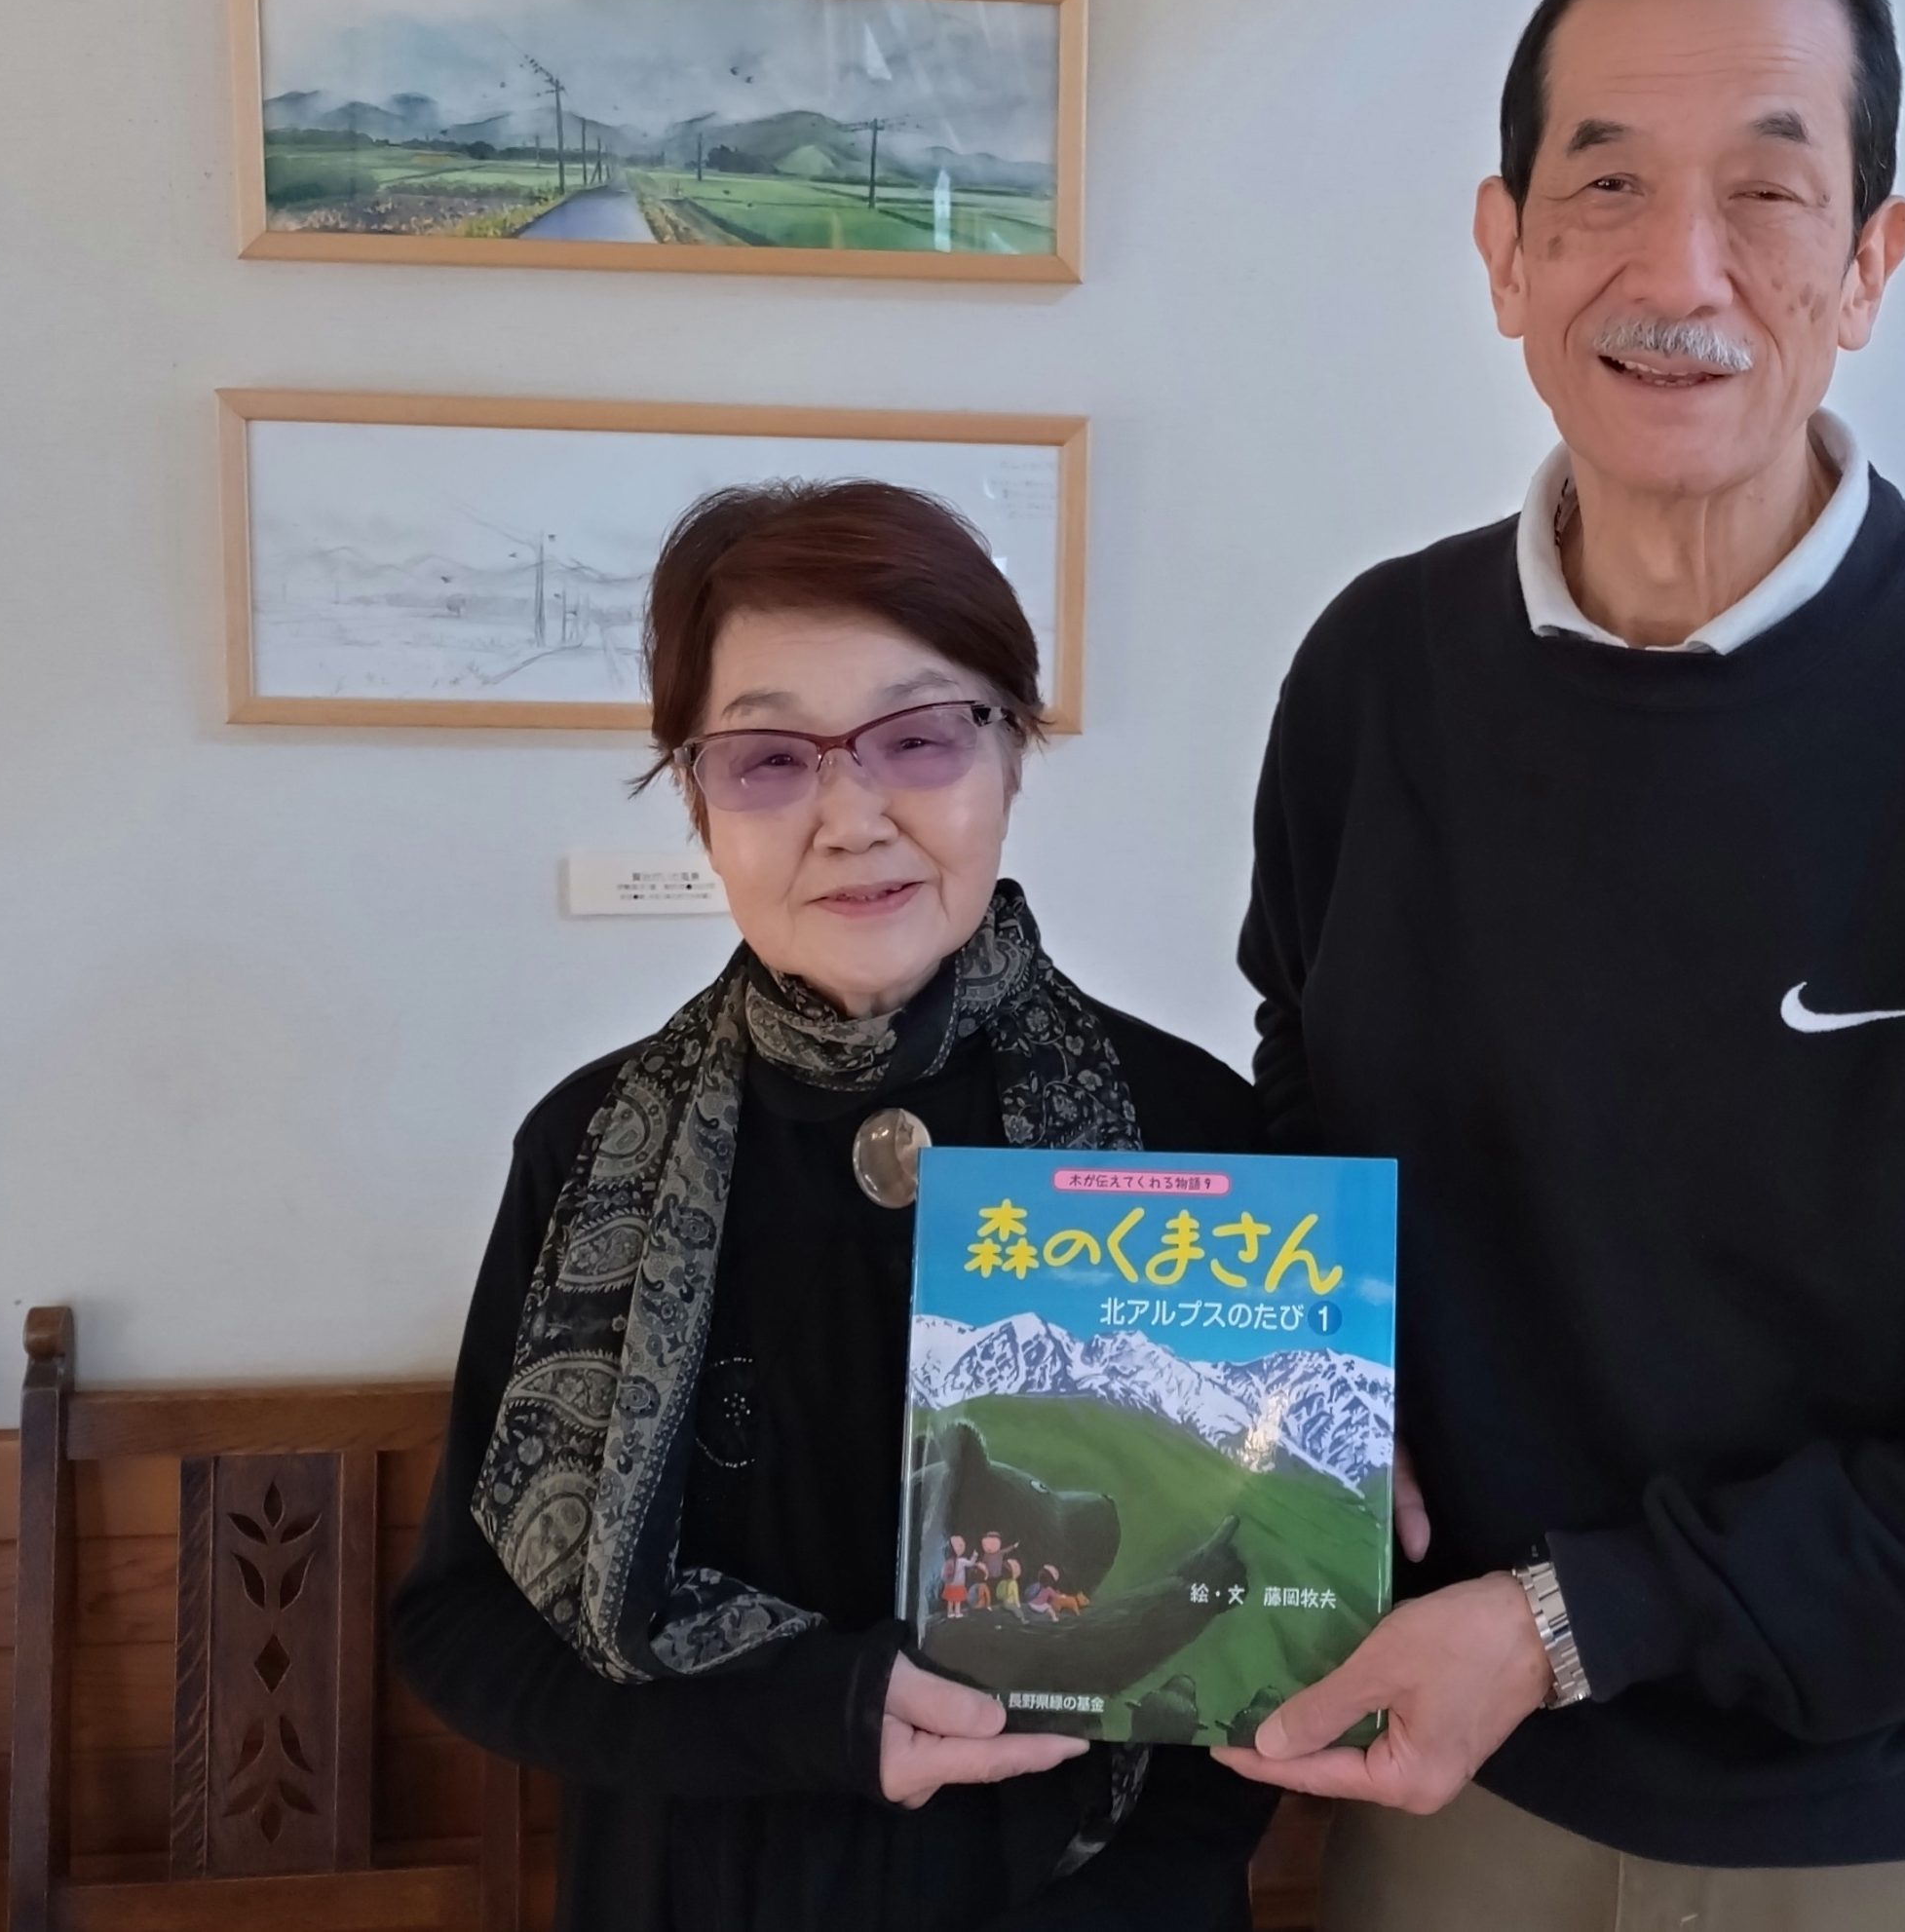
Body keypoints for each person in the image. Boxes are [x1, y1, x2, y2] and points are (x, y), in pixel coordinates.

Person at [1219, 0, 1905, 1932]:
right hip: (1454, 1789)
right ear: (1505, 252)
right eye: (1602, 184)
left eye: (1768, 195)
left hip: (1904, 1824)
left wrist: (1566, 1619)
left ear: (1868, 262)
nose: (1677, 269)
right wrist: (1324, 1382)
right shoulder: (1375, 678)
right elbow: (1305, 1081)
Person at [395, 479, 1274, 1932]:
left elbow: (1255, 1618)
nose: (854, 818)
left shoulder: (1194, 1133)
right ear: (698, 799)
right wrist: (814, 1711)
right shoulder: (589, 1149)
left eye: (918, 738)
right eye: (769, 759)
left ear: (1012, 754)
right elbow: (465, 1626)